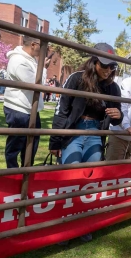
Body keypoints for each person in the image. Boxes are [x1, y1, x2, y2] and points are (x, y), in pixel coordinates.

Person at [49, 42, 122, 244]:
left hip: (96, 133)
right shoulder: (76, 79)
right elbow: (61, 110)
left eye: (112, 66)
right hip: (74, 131)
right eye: (104, 65)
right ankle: (63, 226)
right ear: (93, 61)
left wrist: (118, 115)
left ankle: (82, 225)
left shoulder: (113, 87)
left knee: (90, 180)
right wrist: (55, 141)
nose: (108, 70)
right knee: (69, 180)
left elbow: (117, 116)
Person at [3, 35, 51, 168]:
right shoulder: (19, 61)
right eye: (42, 47)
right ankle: (12, 174)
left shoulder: (30, 59)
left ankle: (26, 173)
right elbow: (35, 84)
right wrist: (45, 69)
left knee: (32, 144)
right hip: (19, 109)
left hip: (30, 108)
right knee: (15, 145)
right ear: (33, 45)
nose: (43, 50)